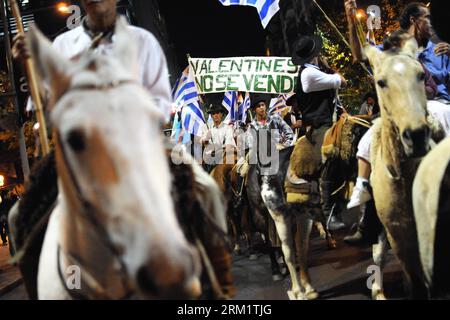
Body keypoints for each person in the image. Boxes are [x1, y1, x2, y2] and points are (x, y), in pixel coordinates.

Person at [344, 0, 450, 244]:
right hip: (404, 108)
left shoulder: (439, 46)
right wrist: (351, 23)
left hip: (438, 104)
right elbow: (361, 54)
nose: (432, 25)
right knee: (370, 136)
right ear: (414, 21)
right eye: (427, 19)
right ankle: (365, 202)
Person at [12, 0, 172, 122]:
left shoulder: (143, 41)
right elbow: (46, 104)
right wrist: (28, 66)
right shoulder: (63, 45)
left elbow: (162, 106)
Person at [292, 35, 348, 231]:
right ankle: (329, 211)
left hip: (330, 120)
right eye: (318, 52)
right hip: (320, 125)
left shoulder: (313, 71)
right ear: (315, 54)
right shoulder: (309, 74)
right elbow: (342, 80)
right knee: (331, 157)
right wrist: (331, 69)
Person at [201, 104, 236, 171]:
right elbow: (202, 142)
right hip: (210, 160)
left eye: (217, 113)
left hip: (224, 156)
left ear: (221, 114)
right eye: (213, 113)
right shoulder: (208, 129)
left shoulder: (227, 128)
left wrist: (220, 150)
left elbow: (228, 145)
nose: (215, 115)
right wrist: (205, 140)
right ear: (211, 116)